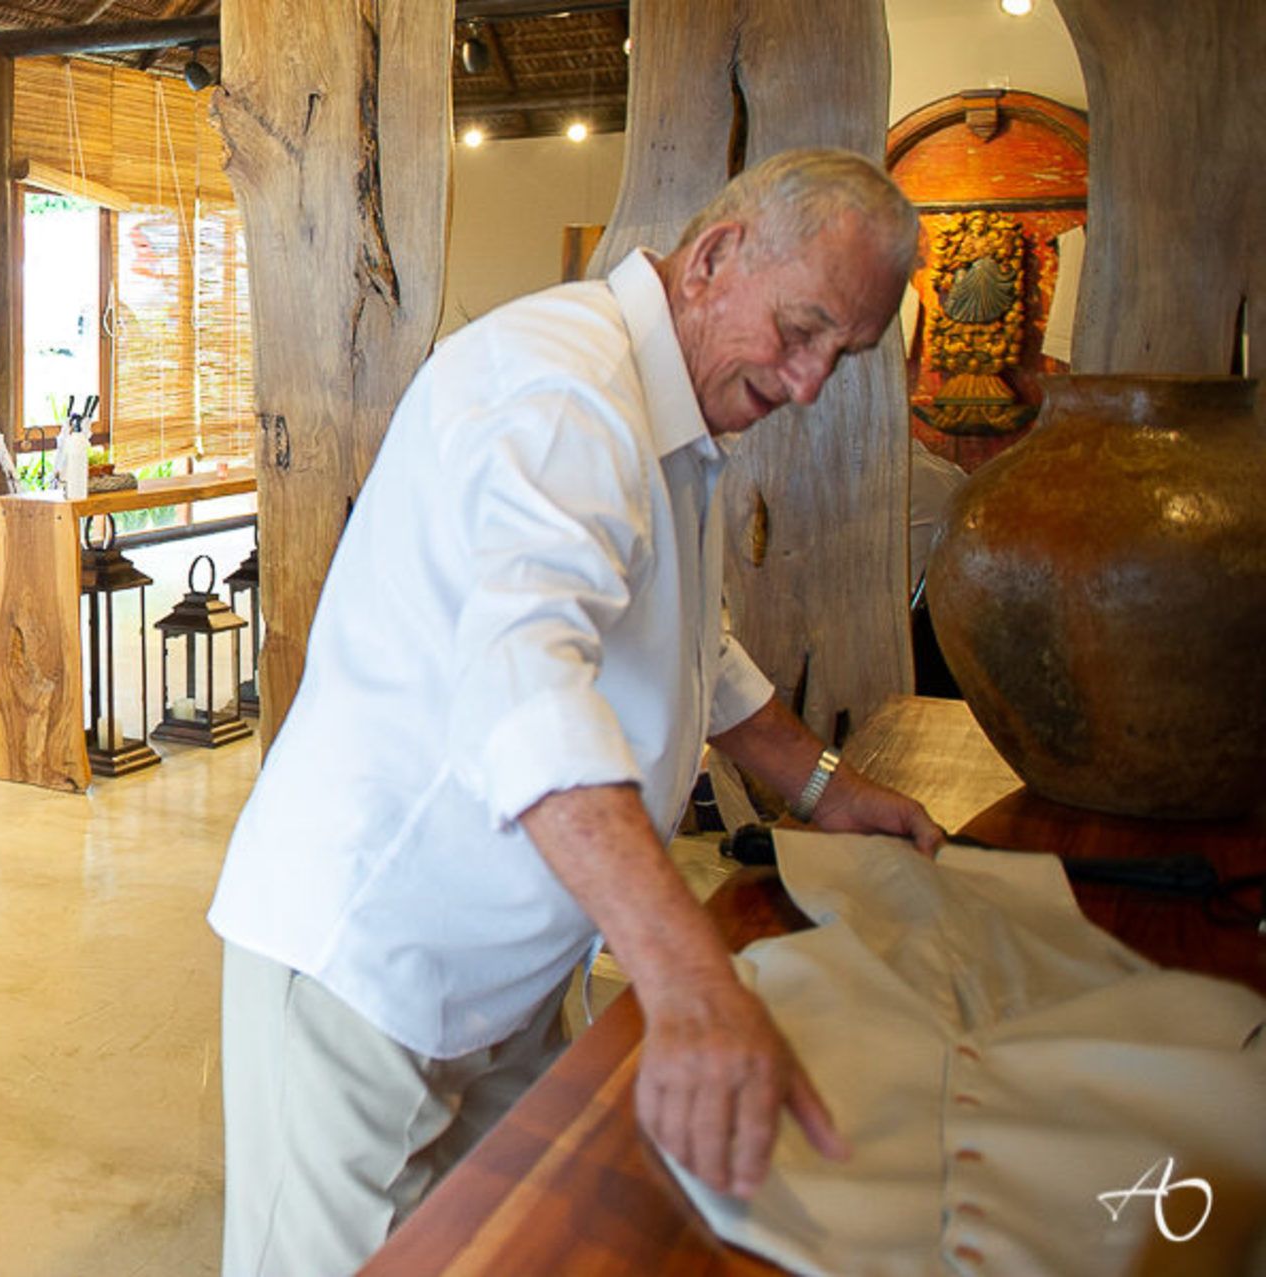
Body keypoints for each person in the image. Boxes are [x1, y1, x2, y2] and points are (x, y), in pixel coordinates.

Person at [207, 148, 948, 1276]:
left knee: (514, 1246)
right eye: (802, 331)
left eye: (839, 357)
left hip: (501, 967)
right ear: (715, 256)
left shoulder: (668, 406)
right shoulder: (565, 395)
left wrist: (821, 786)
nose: (807, 384)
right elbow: (528, 690)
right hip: (372, 958)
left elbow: (688, 643)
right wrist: (689, 977)